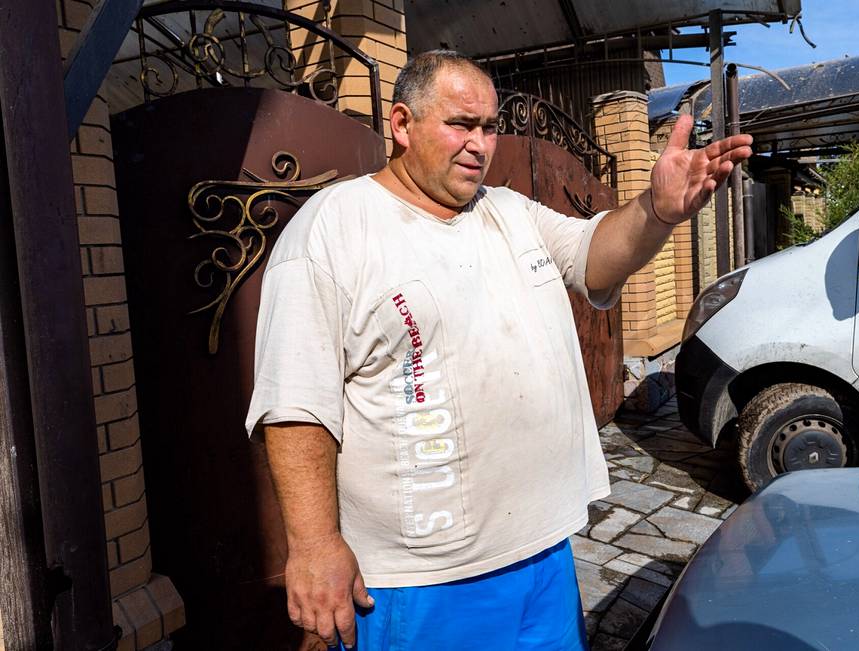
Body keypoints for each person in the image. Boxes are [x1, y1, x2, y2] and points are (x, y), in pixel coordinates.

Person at [246, 50, 752, 650]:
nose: (479, 144)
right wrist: (314, 545)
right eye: (460, 124)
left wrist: (657, 210)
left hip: (542, 556)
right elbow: (296, 403)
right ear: (402, 124)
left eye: (488, 127)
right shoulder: (336, 227)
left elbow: (594, 252)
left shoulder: (507, 212)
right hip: (418, 582)